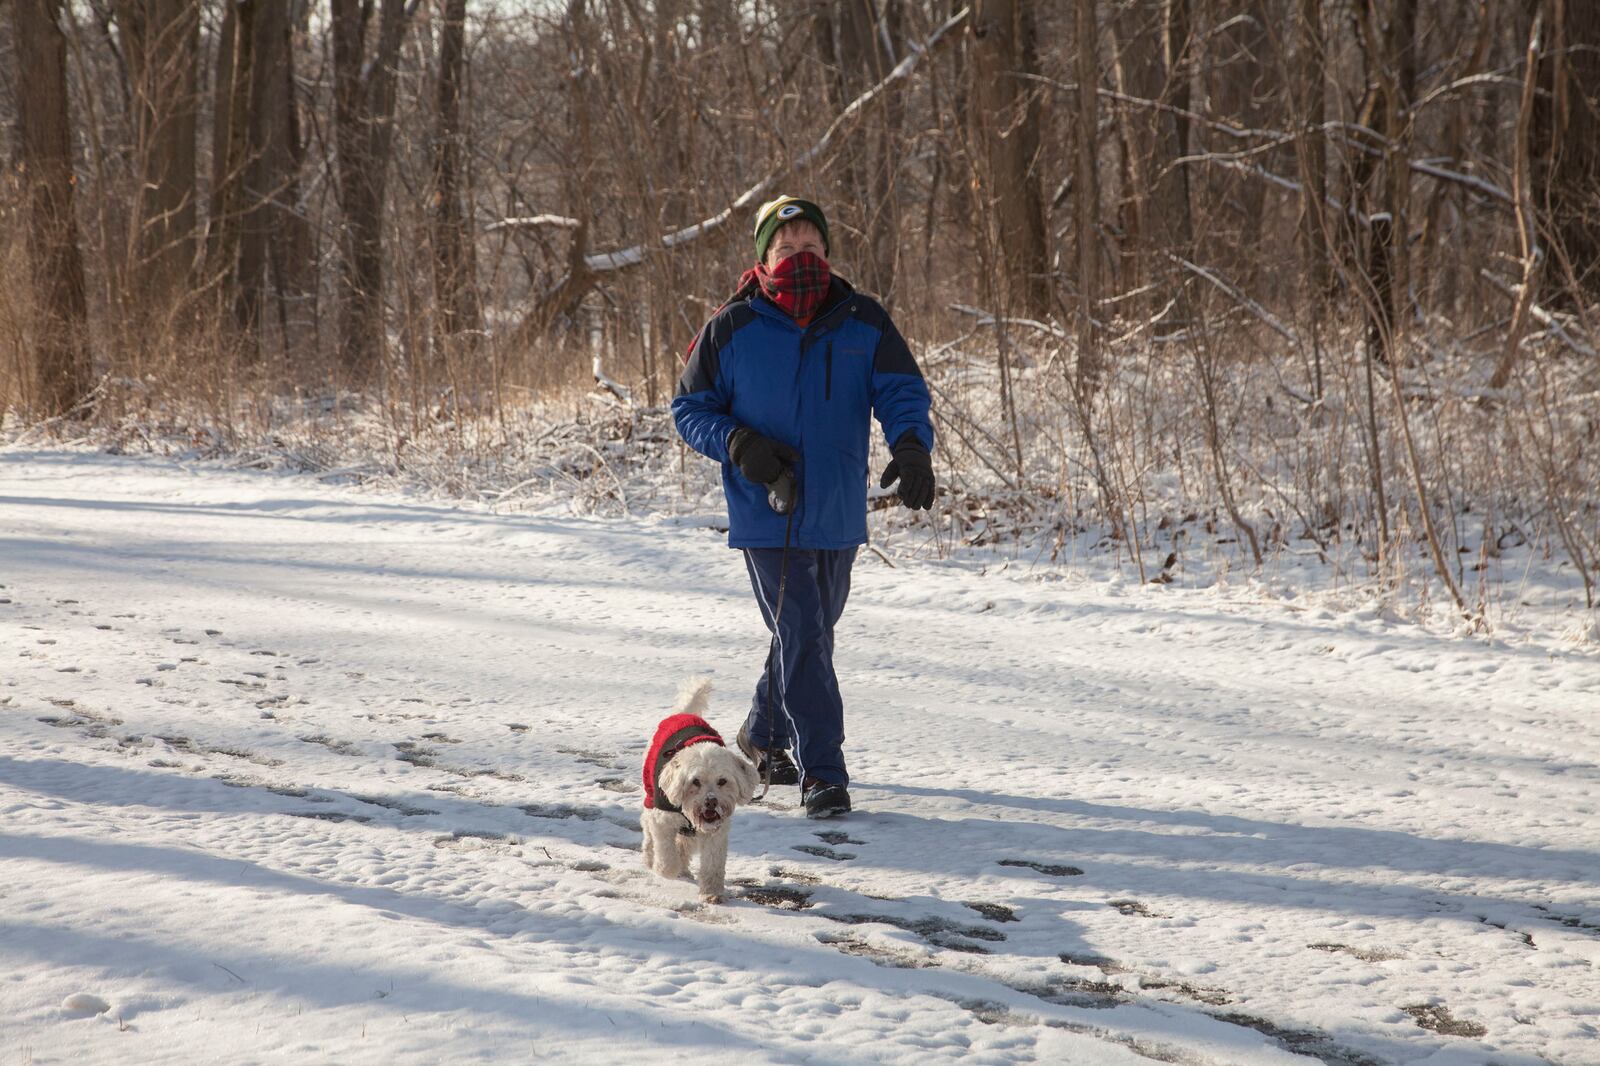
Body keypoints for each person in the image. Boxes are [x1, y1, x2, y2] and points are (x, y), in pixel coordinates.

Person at [672, 195, 935, 819]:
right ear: (763, 258)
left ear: (828, 253)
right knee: (803, 636)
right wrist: (736, 442)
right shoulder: (730, 326)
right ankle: (824, 772)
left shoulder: (862, 320)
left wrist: (911, 446)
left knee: (808, 635)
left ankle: (760, 737)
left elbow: (900, 389)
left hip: (839, 510)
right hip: (767, 510)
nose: (799, 259)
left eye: (810, 248)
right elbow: (689, 409)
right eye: (785, 250)